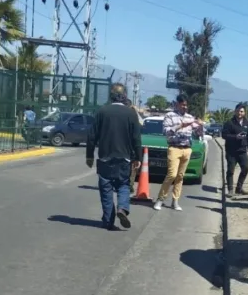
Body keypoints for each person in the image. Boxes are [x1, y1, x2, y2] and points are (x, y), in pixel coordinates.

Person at [86, 84, 142, 230]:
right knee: (123, 185)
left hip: (105, 158)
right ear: (125, 96)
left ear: (111, 96)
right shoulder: (130, 114)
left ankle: (108, 221)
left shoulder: (102, 111)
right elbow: (136, 138)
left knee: (106, 189)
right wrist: (138, 158)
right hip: (125, 158)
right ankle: (122, 208)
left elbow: (92, 136)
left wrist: (89, 156)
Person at [154, 95, 204, 211]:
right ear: (177, 104)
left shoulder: (190, 117)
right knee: (172, 174)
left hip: (187, 149)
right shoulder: (170, 116)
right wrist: (180, 125)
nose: (185, 107)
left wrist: (200, 126)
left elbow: (198, 133)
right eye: (182, 105)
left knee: (180, 176)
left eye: (186, 105)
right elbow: (166, 132)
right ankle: (161, 199)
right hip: (174, 148)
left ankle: (175, 200)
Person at [223, 103, 248, 197]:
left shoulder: (247, 123)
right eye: (238, 111)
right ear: (235, 111)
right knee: (231, 170)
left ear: (244, 112)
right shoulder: (229, 123)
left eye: (242, 111)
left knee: (245, 168)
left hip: (242, 150)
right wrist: (236, 137)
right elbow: (224, 135)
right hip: (231, 151)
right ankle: (230, 190)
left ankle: (239, 188)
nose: (240, 113)